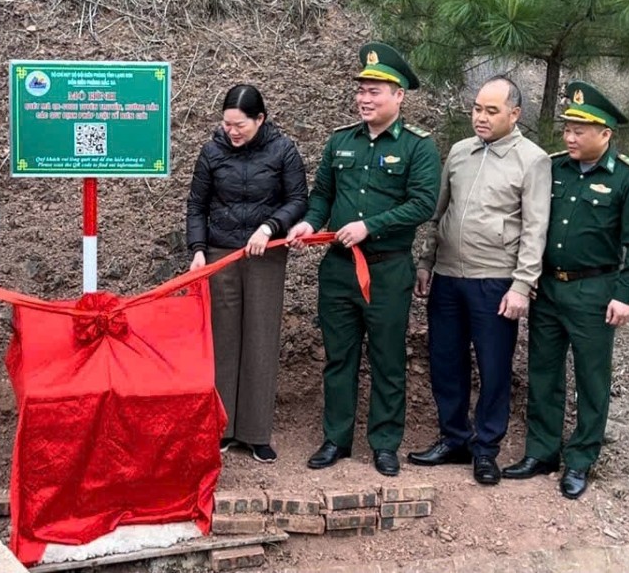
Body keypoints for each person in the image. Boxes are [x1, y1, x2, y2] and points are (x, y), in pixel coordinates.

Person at [287, 42, 440, 477]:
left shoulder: (418, 147)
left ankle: (385, 443)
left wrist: (370, 226)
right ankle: (336, 439)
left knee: (388, 359)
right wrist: (308, 224)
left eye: (374, 91)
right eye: (361, 90)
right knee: (339, 357)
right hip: (338, 268)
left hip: (387, 269)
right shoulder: (341, 141)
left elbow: (422, 204)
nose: (364, 98)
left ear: (398, 96)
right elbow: (322, 195)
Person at [501, 81, 629, 499]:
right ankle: (542, 452)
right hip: (549, 287)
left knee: (591, 377)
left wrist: (625, 294)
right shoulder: (553, 168)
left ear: (605, 133)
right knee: (543, 372)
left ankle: (581, 459)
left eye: (579, 131)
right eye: (567, 129)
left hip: (594, 292)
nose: (569, 137)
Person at [407, 76, 552, 485]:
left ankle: (486, 449)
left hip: (496, 281)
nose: (481, 117)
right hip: (448, 277)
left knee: (493, 367)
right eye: (477, 109)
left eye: (491, 111)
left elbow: (535, 228)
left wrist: (522, 285)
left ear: (515, 114)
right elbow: (439, 213)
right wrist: (426, 261)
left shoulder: (533, 160)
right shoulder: (460, 152)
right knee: (445, 361)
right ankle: (454, 438)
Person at [186, 84, 308, 464]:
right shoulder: (211, 152)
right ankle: (221, 427)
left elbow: (298, 199)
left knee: (260, 337)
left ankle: (256, 433)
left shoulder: (283, 150)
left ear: (260, 120)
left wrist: (270, 226)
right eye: (227, 125)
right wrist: (198, 249)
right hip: (221, 253)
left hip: (264, 254)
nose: (232, 132)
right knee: (222, 340)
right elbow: (197, 205)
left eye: (240, 125)